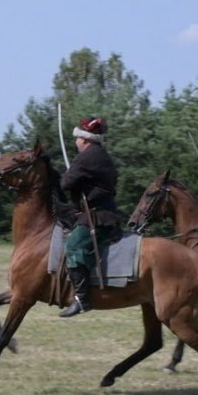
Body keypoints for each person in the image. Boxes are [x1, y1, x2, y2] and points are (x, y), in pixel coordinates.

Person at [58, 117, 123, 318]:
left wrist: (70, 175)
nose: (76, 142)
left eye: (78, 138)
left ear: (85, 140)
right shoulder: (100, 155)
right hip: (103, 212)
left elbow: (66, 184)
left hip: (97, 216)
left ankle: (82, 299)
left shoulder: (87, 157)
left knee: (74, 246)